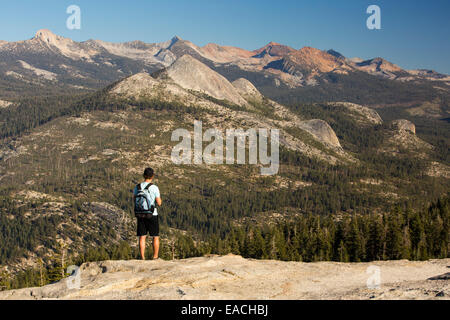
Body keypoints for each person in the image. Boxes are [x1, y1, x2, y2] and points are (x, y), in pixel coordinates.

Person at [133, 167, 162, 260]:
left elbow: (134, 199)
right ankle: (155, 257)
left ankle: (142, 257)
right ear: (152, 176)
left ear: (144, 175)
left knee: (142, 237)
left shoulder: (137, 187)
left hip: (140, 214)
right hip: (152, 214)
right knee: (155, 236)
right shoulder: (154, 187)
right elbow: (159, 202)